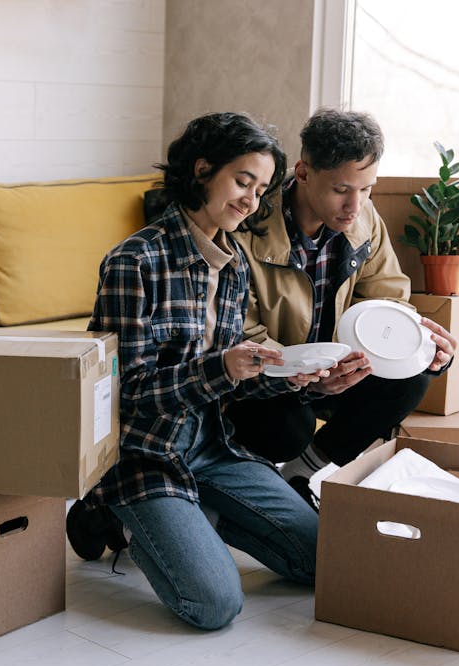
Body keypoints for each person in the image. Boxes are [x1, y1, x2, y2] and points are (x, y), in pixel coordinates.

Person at [66, 112, 324, 631]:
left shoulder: (231, 265)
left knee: (324, 560)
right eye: (242, 181)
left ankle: (195, 516)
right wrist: (222, 367)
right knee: (213, 606)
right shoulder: (134, 262)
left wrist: (278, 377)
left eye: (261, 188)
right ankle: (106, 509)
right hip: (145, 452)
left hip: (214, 446)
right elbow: (126, 392)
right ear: (203, 169)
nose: (251, 199)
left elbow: (227, 381)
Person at [224, 108, 458, 508]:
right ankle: (240, 483)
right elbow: (240, 335)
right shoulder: (248, 229)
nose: (356, 205)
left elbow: (387, 300)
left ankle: (302, 471)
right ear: (302, 173)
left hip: (337, 371)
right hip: (268, 380)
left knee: (414, 376)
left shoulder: (364, 219)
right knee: (288, 428)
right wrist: (308, 377)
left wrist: (416, 346)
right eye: (342, 190)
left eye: (367, 189)